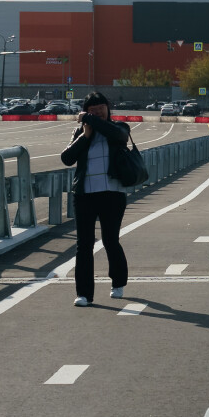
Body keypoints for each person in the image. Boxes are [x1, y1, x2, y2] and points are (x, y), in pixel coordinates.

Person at [60, 92, 134, 308]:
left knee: (110, 240)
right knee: (84, 244)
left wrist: (90, 119)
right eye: (92, 110)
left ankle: (118, 282)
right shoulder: (81, 132)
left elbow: (119, 136)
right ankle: (83, 293)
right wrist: (85, 135)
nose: (97, 112)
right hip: (84, 195)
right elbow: (66, 158)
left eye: (101, 108)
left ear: (108, 108)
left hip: (112, 194)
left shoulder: (119, 128)